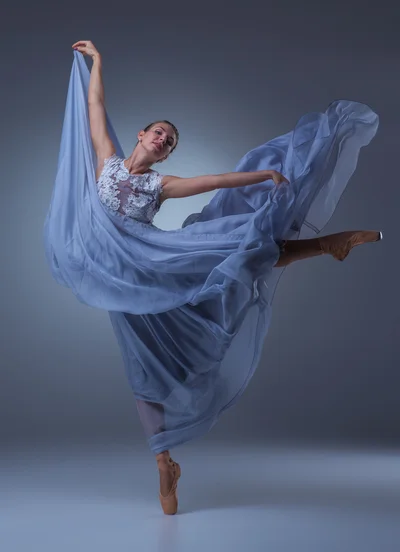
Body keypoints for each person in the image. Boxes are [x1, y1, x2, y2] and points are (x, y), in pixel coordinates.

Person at [46, 40, 382, 515]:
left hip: (150, 264)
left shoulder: (160, 185)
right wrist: (98, 63)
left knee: (236, 251)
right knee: (145, 374)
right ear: (141, 135)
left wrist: (264, 175)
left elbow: (216, 181)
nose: (163, 140)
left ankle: (326, 244)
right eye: (159, 132)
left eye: (170, 142)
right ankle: (164, 461)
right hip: (120, 287)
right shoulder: (106, 159)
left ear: (164, 156)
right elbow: (94, 105)